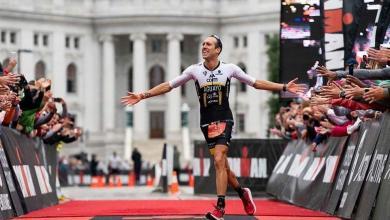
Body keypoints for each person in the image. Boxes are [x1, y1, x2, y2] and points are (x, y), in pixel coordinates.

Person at [121, 35, 304, 220]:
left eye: (208, 44)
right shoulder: (194, 70)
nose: (204, 47)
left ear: (218, 50)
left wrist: (283, 87)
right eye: (203, 44)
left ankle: (220, 207)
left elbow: (255, 83)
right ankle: (242, 193)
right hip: (206, 123)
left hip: (224, 119)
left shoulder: (229, 69)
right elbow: (169, 86)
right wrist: (143, 95)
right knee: (222, 165)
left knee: (218, 159)